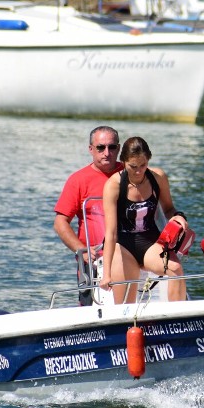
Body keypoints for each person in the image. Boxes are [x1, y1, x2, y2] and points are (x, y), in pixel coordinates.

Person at [100, 137, 189, 304]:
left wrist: (178, 217)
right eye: (133, 166)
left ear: (148, 159)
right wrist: (106, 275)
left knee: (175, 269)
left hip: (150, 241)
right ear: (123, 161)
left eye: (143, 165)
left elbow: (169, 209)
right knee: (125, 303)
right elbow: (110, 233)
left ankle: (176, 320)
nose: (139, 171)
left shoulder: (158, 177)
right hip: (123, 244)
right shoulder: (114, 185)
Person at [54, 126, 123, 305]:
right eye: (100, 147)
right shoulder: (78, 180)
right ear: (91, 149)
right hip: (92, 262)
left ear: (119, 148)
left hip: (127, 255)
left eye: (112, 147)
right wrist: (81, 249)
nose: (106, 152)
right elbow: (60, 222)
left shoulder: (131, 174)